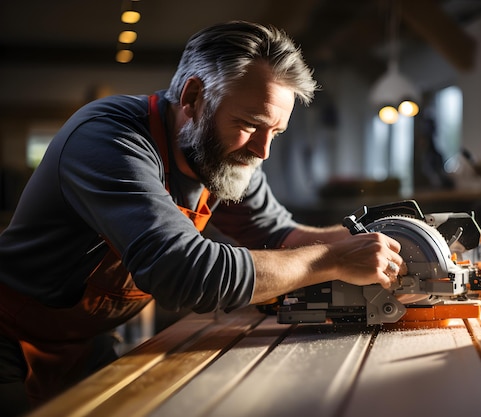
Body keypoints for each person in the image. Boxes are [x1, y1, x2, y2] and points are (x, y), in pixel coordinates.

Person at [0, 21, 405, 414]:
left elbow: (277, 235)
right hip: (8, 338)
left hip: (85, 343)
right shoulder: (109, 139)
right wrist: (332, 259)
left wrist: (386, 236)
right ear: (193, 96)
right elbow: (182, 272)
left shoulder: (225, 153)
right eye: (250, 125)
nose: (263, 151)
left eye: (275, 133)